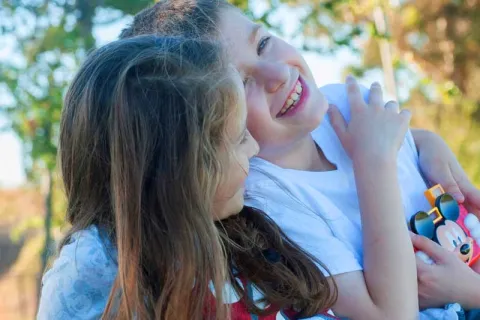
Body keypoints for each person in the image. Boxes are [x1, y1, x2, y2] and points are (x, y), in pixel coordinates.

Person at [118, 1, 480, 319]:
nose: (277, 75)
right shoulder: (266, 197)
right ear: (213, 133)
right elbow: (389, 314)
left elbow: (400, 148)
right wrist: (375, 164)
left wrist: (426, 142)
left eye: (263, 44)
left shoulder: (340, 103)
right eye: (241, 84)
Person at [36, 35, 343, 319]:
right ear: (178, 173)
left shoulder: (245, 235)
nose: (254, 147)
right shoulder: (93, 276)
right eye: (238, 138)